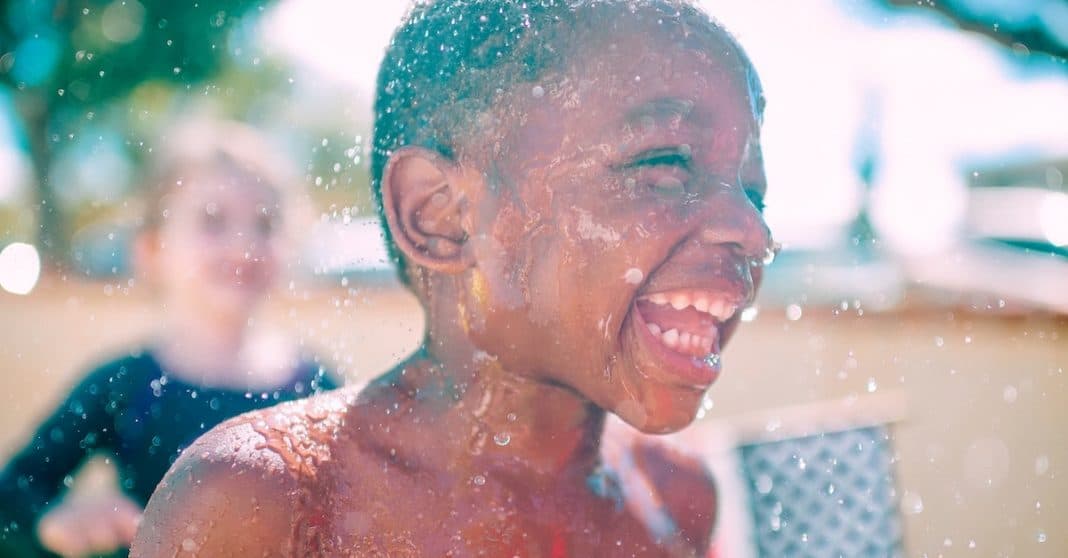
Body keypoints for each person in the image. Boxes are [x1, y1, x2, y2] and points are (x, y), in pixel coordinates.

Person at [133, 1, 774, 555]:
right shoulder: (268, 503)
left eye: (754, 194)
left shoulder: (676, 498)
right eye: (664, 166)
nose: (752, 231)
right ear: (441, 216)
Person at [0, 120, 339, 557]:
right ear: (153, 249)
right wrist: (53, 522)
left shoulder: (315, 394)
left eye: (265, 224)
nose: (243, 245)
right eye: (212, 221)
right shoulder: (125, 385)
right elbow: (14, 493)